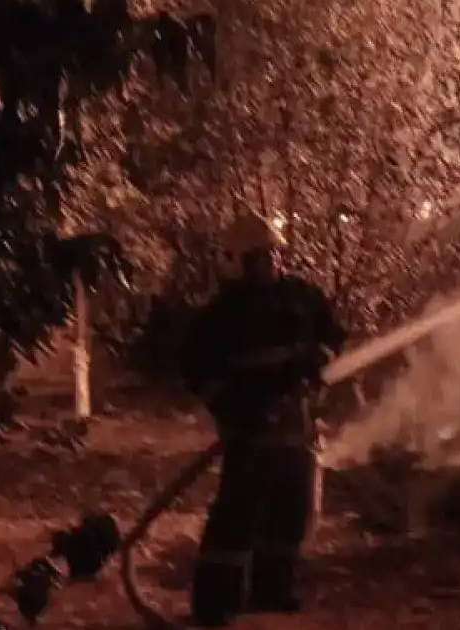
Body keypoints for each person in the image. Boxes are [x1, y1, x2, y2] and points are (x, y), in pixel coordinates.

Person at [181, 213, 346, 626]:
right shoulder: (221, 314)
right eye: (259, 256)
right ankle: (216, 602)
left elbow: (333, 336)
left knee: (293, 509)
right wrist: (235, 411)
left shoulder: (302, 297)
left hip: (298, 424)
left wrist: (322, 358)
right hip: (249, 429)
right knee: (237, 513)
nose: (269, 262)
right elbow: (198, 371)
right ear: (239, 260)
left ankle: (274, 589)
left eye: (272, 253)